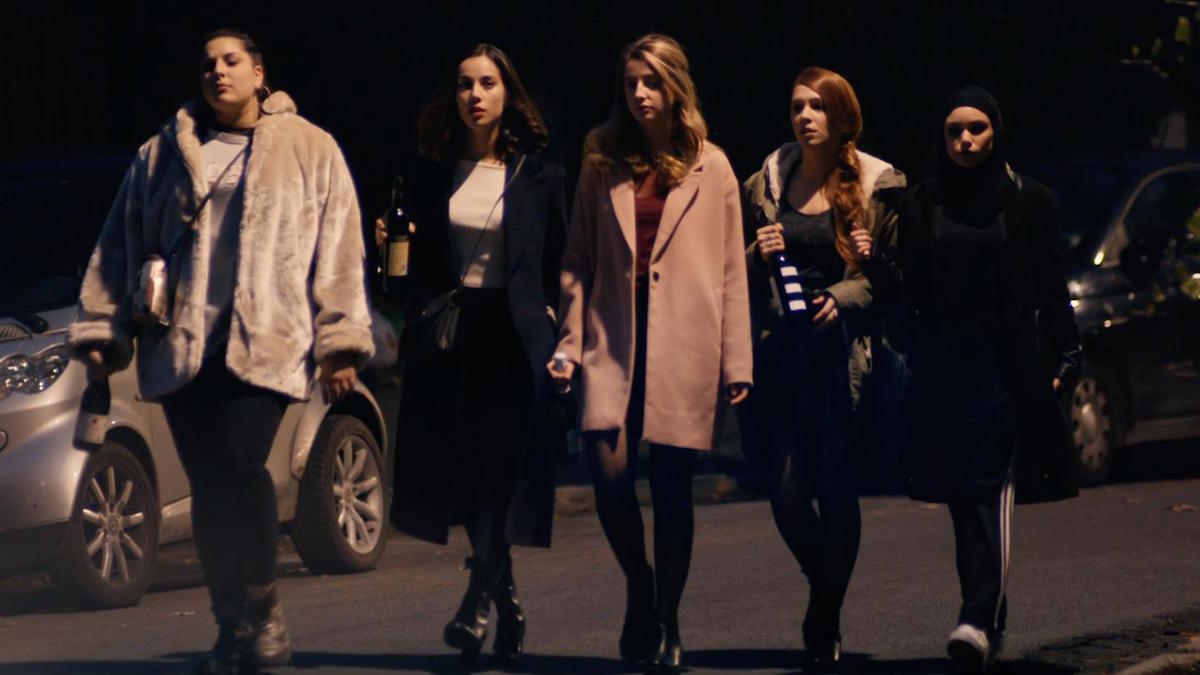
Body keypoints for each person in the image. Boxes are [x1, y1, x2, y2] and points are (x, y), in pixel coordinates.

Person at [67, 29, 374, 675]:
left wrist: (340, 340)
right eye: (207, 64)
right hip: (182, 344)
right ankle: (231, 623)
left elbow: (340, 247)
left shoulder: (310, 147)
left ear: (260, 73)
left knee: (241, 463)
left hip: (267, 340)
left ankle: (264, 610)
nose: (217, 72)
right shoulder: (162, 153)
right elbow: (119, 242)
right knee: (210, 484)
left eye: (231, 61)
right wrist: (101, 329)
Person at [549, 33, 753, 674]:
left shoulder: (712, 166)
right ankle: (640, 584)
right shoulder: (601, 161)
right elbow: (577, 260)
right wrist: (568, 345)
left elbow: (731, 271)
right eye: (631, 81)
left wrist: (737, 362)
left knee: (670, 491)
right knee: (609, 479)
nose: (639, 93)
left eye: (652, 81)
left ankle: (668, 619)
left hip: (684, 344)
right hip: (611, 339)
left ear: (675, 87)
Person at [861, 86, 1082, 673]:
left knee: (990, 489)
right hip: (944, 367)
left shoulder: (1027, 200)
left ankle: (976, 617)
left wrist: (1065, 357)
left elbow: (1050, 282)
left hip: (1009, 366)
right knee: (963, 497)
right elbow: (908, 289)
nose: (964, 140)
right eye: (954, 130)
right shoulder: (922, 202)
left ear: (996, 132)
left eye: (976, 129)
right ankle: (988, 618)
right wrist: (874, 264)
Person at [381, 43, 567, 666]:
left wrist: (557, 325)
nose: (475, 95)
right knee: (465, 475)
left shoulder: (540, 175)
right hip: (454, 336)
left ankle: (474, 603)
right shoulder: (432, 172)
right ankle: (503, 599)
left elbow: (561, 261)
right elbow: (411, 272)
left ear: (507, 94)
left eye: (487, 83)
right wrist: (391, 249)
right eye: (464, 84)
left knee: (501, 472)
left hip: (514, 338)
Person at [741, 66, 905, 672]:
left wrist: (842, 296)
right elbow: (735, 269)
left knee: (836, 487)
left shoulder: (875, 185)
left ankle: (824, 614)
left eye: (817, 106)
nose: (805, 117)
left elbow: (887, 276)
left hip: (840, 357)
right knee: (786, 491)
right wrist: (755, 254)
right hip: (784, 352)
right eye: (797, 107)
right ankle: (825, 584)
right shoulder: (768, 181)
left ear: (841, 118)